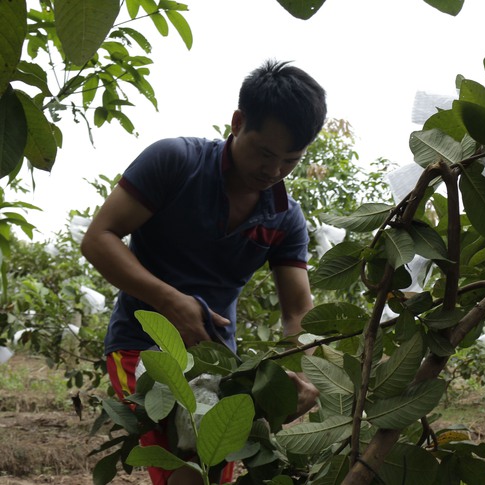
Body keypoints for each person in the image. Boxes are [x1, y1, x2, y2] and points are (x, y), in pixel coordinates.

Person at [81, 59, 327, 485]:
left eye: (290, 161)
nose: (273, 172)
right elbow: (99, 237)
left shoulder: (285, 219)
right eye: (265, 153)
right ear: (237, 122)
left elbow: (297, 311)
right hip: (143, 348)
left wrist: (306, 375)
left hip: (218, 364)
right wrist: (168, 300)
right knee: (188, 471)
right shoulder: (176, 162)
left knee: (210, 472)